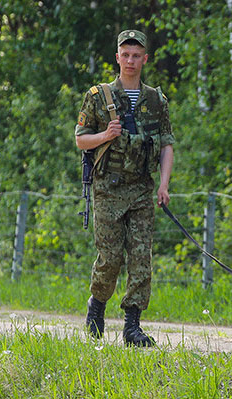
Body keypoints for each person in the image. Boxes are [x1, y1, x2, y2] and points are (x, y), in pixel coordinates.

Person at [74, 29, 175, 347]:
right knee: (110, 257)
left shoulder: (156, 100)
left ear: (145, 59)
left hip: (142, 190)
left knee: (141, 258)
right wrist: (104, 135)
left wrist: (164, 184)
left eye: (136, 55)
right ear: (117, 58)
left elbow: (167, 144)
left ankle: (132, 326)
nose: (131, 60)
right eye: (125, 55)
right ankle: (97, 309)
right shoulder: (98, 96)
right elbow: (80, 139)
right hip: (108, 189)